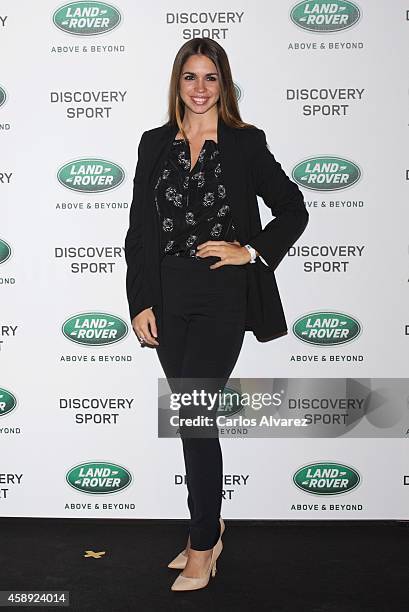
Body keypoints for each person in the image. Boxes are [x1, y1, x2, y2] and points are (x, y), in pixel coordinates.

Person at [124, 37, 309, 592]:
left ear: (223, 84)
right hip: (168, 295)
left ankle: (203, 543)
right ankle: (208, 526)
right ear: (176, 83)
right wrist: (139, 301)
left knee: (197, 415)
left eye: (210, 78)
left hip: (222, 295)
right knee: (190, 417)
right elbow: (138, 231)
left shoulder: (245, 144)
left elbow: (293, 208)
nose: (200, 88)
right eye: (190, 77)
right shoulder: (153, 143)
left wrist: (249, 251)